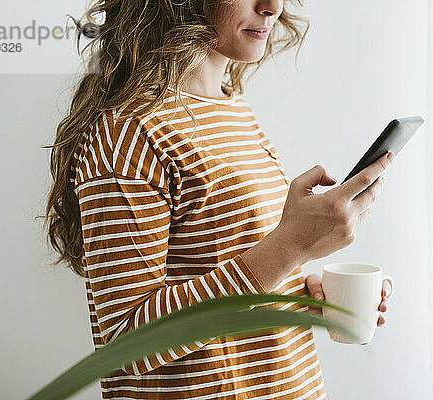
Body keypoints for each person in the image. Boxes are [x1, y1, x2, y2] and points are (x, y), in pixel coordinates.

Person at [44, 0, 392, 398]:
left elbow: (232, 270)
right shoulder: (129, 133)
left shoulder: (232, 108)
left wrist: (306, 294)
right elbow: (126, 343)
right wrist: (292, 248)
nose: (273, 6)